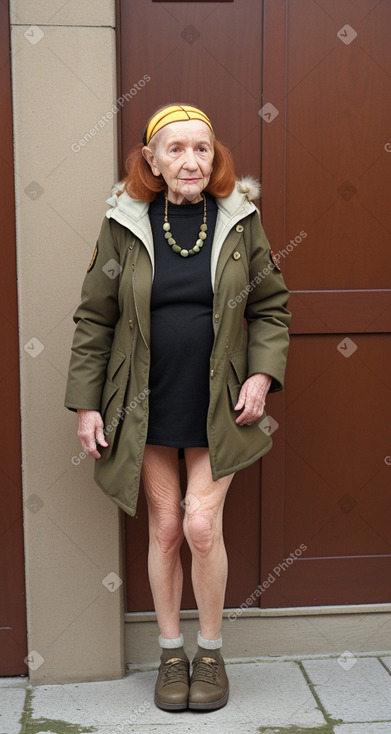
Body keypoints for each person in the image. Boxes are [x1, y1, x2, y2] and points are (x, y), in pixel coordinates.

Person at [65, 103, 291, 712]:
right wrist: (88, 406)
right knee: (165, 531)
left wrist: (263, 376)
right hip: (146, 401)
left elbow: (271, 307)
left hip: (219, 402)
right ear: (151, 161)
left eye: (202, 149)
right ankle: (171, 654)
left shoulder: (241, 220)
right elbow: (95, 317)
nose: (190, 160)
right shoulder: (124, 223)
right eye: (175, 149)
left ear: (214, 158)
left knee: (199, 523)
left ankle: (210, 652)